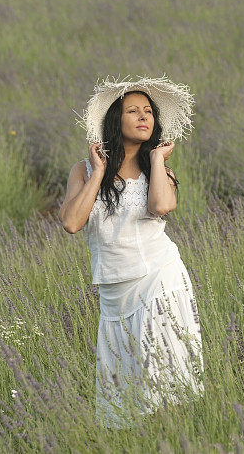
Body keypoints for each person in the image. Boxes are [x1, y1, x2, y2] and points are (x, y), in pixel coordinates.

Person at [58, 76, 203, 429]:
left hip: (158, 276)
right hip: (113, 288)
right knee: (126, 384)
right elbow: (72, 223)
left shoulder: (158, 169)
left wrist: (156, 159)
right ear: (115, 120)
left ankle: (177, 437)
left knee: (165, 375)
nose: (144, 117)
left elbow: (161, 205)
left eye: (149, 112)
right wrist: (99, 173)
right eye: (133, 111)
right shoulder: (84, 170)